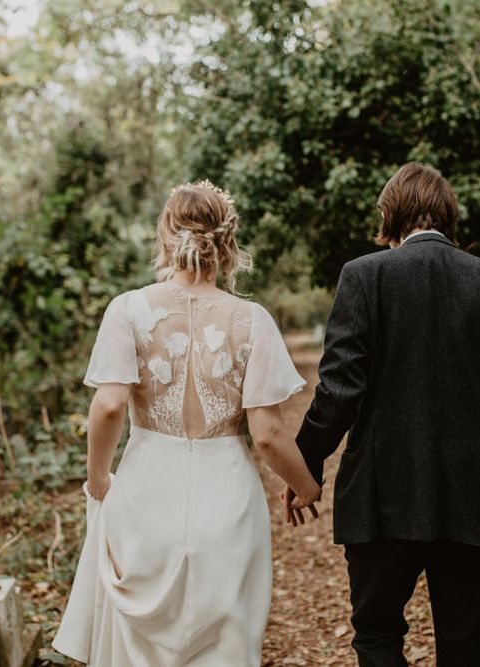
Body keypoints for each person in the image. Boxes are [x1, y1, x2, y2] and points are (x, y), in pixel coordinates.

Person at [52, 180, 321, 666]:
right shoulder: (253, 319)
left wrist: (97, 480)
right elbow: (268, 433)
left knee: (142, 650)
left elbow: (109, 407)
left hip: (146, 490)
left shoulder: (128, 310)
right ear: (227, 242)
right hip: (228, 496)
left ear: (165, 235)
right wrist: (306, 486)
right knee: (225, 641)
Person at [288, 162, 480, 666]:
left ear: (390, 213)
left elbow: (340, 391)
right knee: (466, 641)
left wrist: (305, 461)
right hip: (471, 494)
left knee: (376, 635)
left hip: (382, 495)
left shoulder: (364, 275)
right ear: (448, 214)